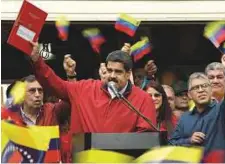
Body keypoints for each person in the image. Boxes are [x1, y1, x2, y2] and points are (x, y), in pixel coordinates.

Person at [29, 41, 157, 133]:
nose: (112, 75)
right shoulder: (85, 89)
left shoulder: (143, 99)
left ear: (128, 74)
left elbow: (145, 137)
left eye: (118, 72)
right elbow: (54, 84)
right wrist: (37, 61)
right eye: (110, 70)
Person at [169, 72, 225, 155]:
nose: (201, 90)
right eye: (195, 88)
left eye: (204, 86)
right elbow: (172, 143)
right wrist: (189, 140)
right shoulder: (185, 118)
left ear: (211, 90)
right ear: (189, 95)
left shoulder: (220, 110)